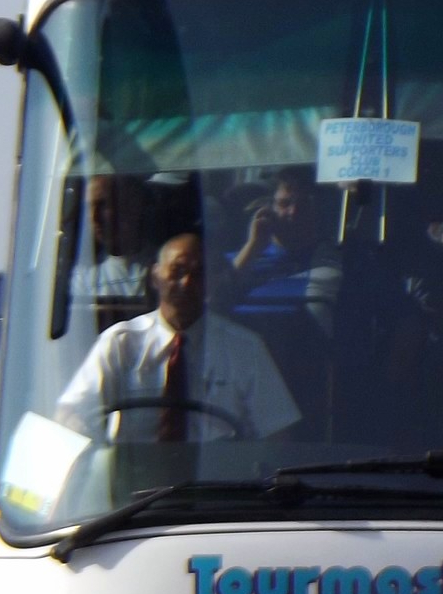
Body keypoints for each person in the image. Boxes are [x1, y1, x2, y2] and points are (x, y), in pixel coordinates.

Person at [58, 231, 299, 443]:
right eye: (178, 271)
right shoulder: (120, 343)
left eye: (199, 274)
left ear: (211, 282)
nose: (187, 282)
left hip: (218, 484)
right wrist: (84, 441)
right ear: (156, 276)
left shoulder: (245, 347)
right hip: (131, 485)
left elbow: (277, 433)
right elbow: (70, 414)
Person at [219, 166, 344, 427]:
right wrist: (254, 247)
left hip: (311, 384)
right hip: (238, 379)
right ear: (268, 209)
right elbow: (214, 302)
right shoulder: (237, 262)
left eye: (303, 204)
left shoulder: (339, 262)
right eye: (285, 204)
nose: (293, 213)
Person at [70, 173, 151, 302]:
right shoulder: (83, 278)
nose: (94, 217)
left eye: (102, 205)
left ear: (129, 206)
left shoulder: (164, 269)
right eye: (88, 207)